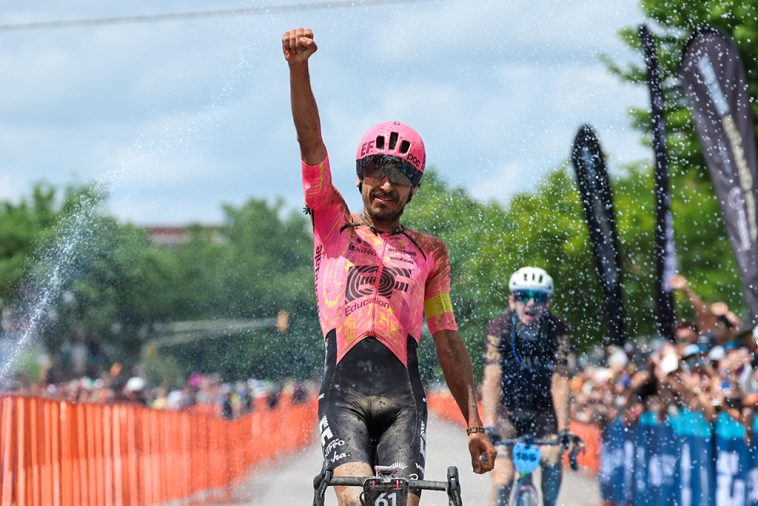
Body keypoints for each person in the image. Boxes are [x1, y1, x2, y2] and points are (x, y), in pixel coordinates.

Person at [282, 27, 496, 506]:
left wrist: (474, 425)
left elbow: (447, 339)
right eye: (376, 170)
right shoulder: (331, 222)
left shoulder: (431, 253)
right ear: (360, 178)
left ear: (414, 188)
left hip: (404, 400)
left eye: (399, 176)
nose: (386, 184)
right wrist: (299, 69)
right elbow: (310, 140)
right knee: (357, 500)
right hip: (344, 396)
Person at [481, 267, 571, 506]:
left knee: (552, 460)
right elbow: (492, 379)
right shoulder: (498, 328)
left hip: (543, 410)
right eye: (523, 296)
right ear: (512, 300)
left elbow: (560, 379)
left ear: (547, 302)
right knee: (503, 480)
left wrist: (564, 429)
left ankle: (549, 502)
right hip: (507, 411)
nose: (531, 303)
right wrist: (489, 422)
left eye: (539, 297)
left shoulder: (557, 329)